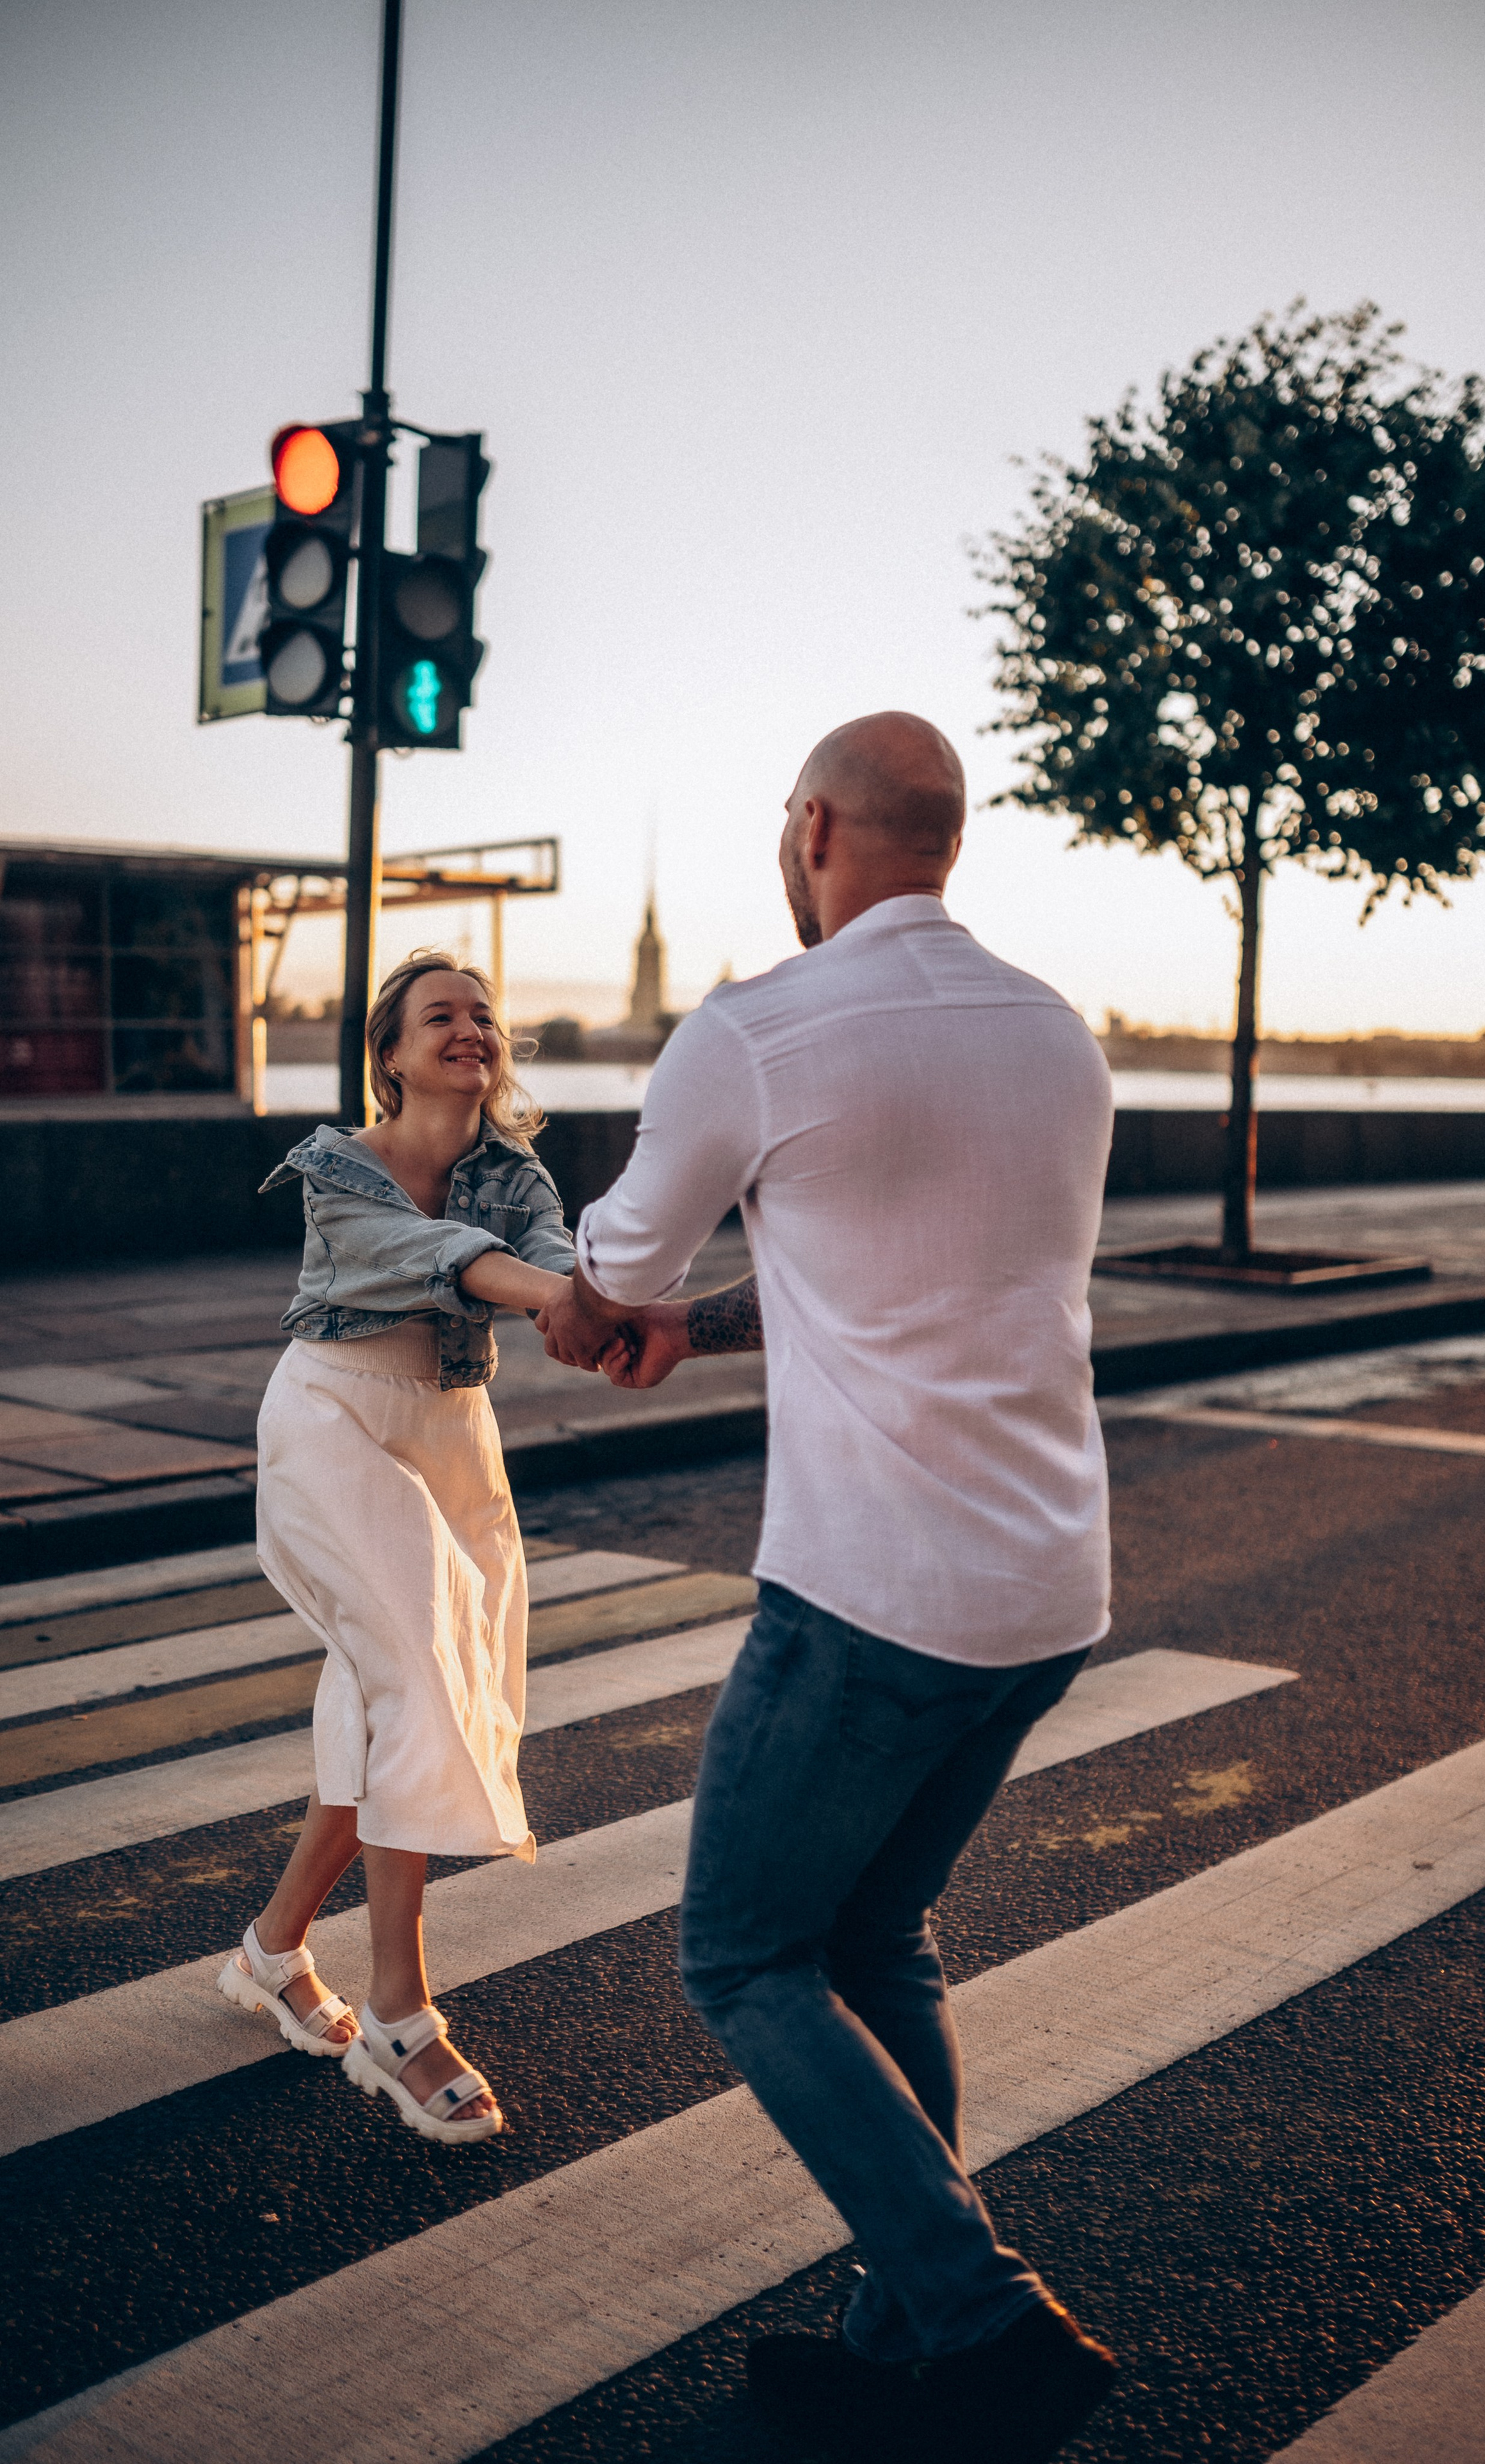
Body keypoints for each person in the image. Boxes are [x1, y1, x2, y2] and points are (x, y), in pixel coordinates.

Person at [535, 715, 1120, 2460]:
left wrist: (603, 1308)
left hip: (875, 1599)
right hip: (1048, 1591)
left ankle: (976, 2312)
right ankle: (894, 2346)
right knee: (877, 1937)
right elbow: (872, 1284)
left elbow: (607, 1273)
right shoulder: (1059, 1038)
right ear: (949, 840)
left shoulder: (758, 1033)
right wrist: (698, 1320)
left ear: (810, 833)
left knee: (746, 1950)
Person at [218, 951, 577, 2144]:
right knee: (421, 1670)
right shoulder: (337, 1168)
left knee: (389, 1697)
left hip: (451, 1437)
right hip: (332, 1419)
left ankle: (272, 1953)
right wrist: (556, 1301)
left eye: (484, 1013)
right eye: (442, 1016)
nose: (470, 1029)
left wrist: (610, 1309)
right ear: (392, 1053)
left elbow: (562, 1263)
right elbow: (450, 1265)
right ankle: (398, 2017)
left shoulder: (511, 1172)